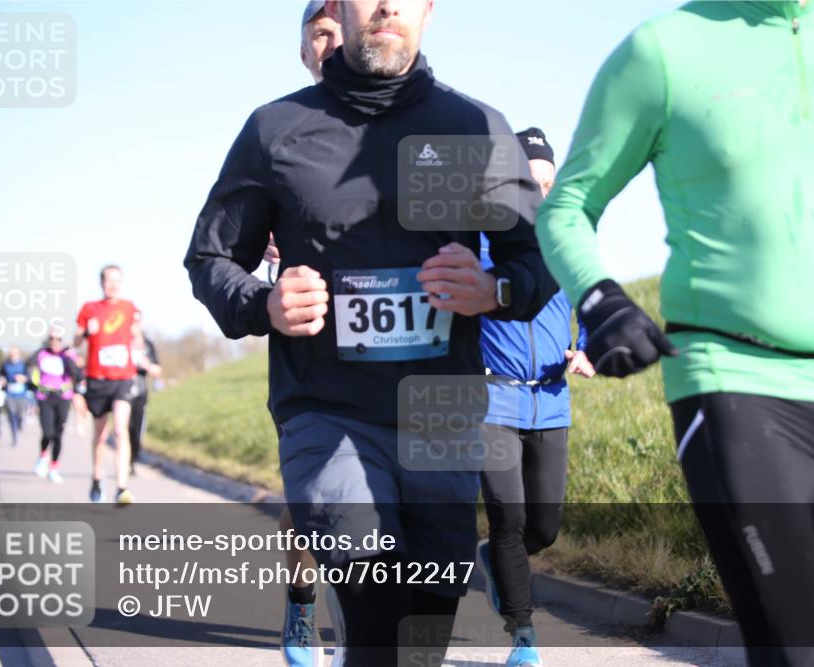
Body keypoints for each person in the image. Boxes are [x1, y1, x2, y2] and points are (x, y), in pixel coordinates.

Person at [536, 2, 814, 665]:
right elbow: (568, 206)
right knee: (798, 652)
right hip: (737, 386)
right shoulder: (663, 51)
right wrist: (602, 300)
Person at [184, 0, 556, 662]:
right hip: (330, 412)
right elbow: (211, 260)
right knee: (375, 610)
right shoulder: (278, 129)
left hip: (441, 418)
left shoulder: (474, 127)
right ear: (337, 8)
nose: (386, 6)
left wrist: (494, 289)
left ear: (429, 11)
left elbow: (538, 262)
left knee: (422, 636)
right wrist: (264, 303)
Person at [474, 127, 594, 667]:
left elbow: (593, 305)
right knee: (510, 520)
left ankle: (498, 565)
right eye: (530, 183)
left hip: (551, 399)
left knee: (543, 527)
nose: (541, 195)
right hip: (492, 400)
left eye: (549, 183)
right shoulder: (478, 240)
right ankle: (522, 636)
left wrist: (586, 349)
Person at [271, 3, 344, 665]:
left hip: (396, 370)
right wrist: (265, 287)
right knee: (310, 510)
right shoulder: (276, 138)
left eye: (339, 29)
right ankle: (299, 604)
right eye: (318, 34)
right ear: (303, 50)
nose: (331, 43)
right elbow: (216, 258)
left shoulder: (414, 126)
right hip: (307, 373)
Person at [75, 265, 141, 505]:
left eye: (117, 280)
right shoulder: (89, 309)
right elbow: (75, 341)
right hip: (97, 379)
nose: (113, 285)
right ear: (101, 283)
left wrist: (139, 342)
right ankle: (96, 478)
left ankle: (122, 487)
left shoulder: (129, 308)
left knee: (121, 430)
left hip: (123, 378)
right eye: (108, 280)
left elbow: (137, 336)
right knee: (100, 435)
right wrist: (86, 333)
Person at [29, 325, 80, 484]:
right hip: (45, 397)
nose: (54, 342)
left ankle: (54, 468)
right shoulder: (41, 354)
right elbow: (29, 367)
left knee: (58, 435)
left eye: (58, 339)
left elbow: (76, 374)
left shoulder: (69, 355)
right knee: (47, 432)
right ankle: (43, 456)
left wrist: (67, 357)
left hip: (63, 397)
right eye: (51, 339)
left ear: (62, 340)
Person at [128, 326, 162, 475]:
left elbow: (157, 371)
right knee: (124, 428)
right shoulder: (122, 342)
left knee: (136, 429)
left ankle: (133, 458)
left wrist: (146, 364)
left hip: (140, 392)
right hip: (122, 390)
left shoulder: (148, 345)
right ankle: (126, 459)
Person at [0, 348, 29, 446]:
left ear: (18, 354)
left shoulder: (24, 364)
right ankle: (14, 437)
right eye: (11, 354)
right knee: (11, 414)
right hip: (9, 393)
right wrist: (2, 380)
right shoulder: (5, 364)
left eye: (15, 354)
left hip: (21, 393)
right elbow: (1, 375)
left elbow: (29, 376)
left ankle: (20, 423)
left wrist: (24, 378)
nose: (13, 356)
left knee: (20, 413)